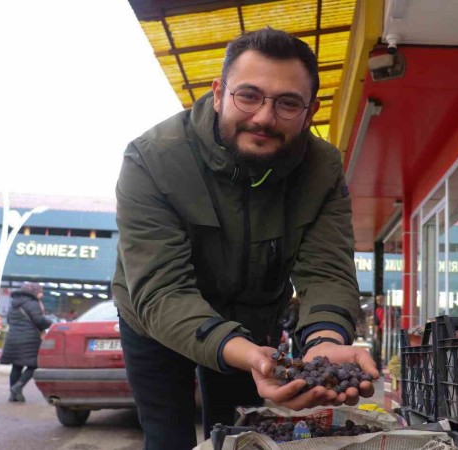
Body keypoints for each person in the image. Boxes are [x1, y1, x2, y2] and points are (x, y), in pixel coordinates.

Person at [113, 27, 378, 449]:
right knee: (166, 437)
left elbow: (327, 270)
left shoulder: (323, 169)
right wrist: (245, 352)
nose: (264, 118)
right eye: (249, 96)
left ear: (310, 112)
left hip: (252, 322)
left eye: (287, 103)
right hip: (156, 319)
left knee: (239, 433)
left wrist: (324, 342)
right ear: (219, 93)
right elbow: (162, 290)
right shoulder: (152, 158)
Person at [0, 282, 52, 402]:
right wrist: (51, 323)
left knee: (16, 366)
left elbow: (9, 320)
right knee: (34, 365)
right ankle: (18, 386)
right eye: (40, 292)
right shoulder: (33, 303)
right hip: (29, 339)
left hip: (13, 338)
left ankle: (14, 395)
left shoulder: (14, 304)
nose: (41, 294)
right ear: (33, 292)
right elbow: (39, 321)